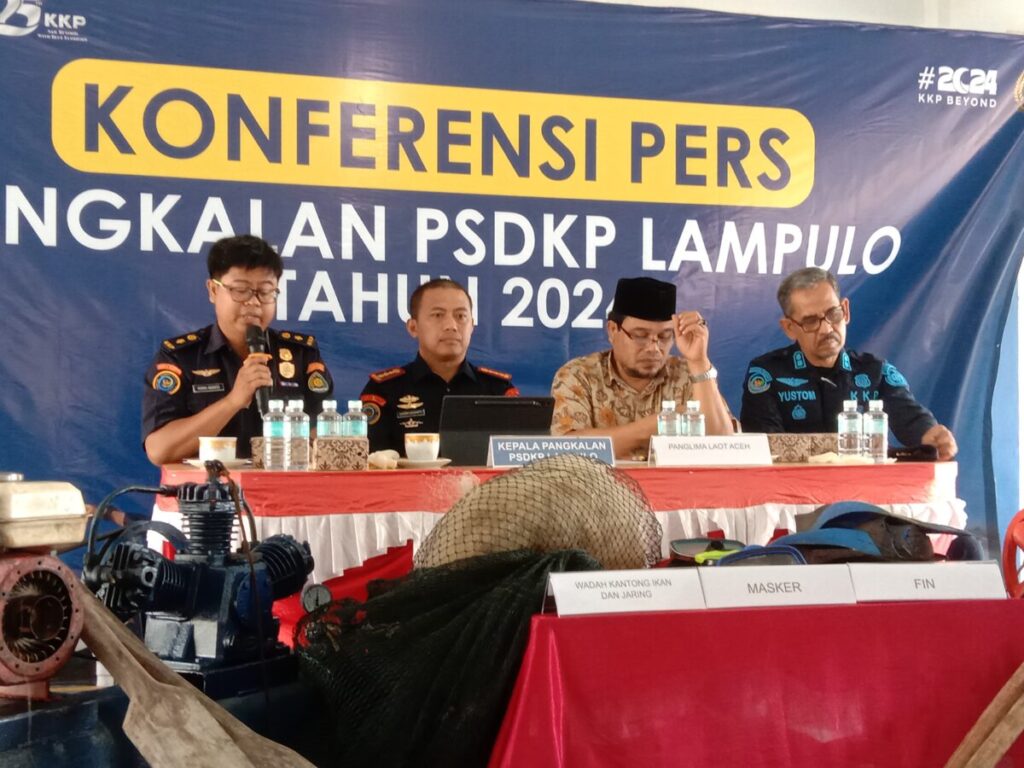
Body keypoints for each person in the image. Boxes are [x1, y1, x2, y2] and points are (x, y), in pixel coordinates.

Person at [142, 235, 334, 465]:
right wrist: (233, 401)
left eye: (265, 292)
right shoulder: (180, 357)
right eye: (241, 290)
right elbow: (159, 451)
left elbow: (324, 437)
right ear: (213, 290)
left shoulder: (301, 355)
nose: (254, 302)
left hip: (284, 486)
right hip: (207, 487)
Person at [740, 266, 957, 460]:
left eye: (833, 314)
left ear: (845, 310)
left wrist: (930, 435)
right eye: (811, 321)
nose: (826, 329)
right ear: (789, 328)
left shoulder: (875, 372)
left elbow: (910, 417)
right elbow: (763, 448)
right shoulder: (768, 373)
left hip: (864, 489)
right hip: (793, 489)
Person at [550, 276, 734, 460]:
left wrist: (699, 361)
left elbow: (722, 446)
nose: (653, 348)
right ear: (613, 330)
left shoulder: (689, 374)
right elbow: (565, 449)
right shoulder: (579, 375)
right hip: (599, 480)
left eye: (664, 336)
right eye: (640, 335)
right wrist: (656, 425)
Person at [360, 278, 518, 454]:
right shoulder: (384, 390)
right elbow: (370, 461)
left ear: (472, 326)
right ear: (413, 327)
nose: (451, 326)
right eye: (438, 315)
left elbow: (518, 459)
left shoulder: (498, 391)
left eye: (461, 316)